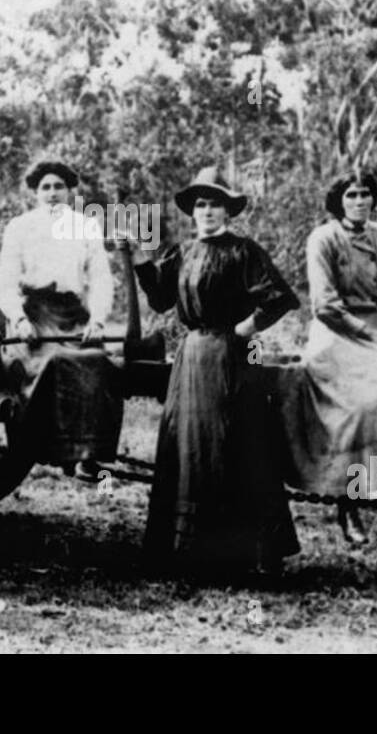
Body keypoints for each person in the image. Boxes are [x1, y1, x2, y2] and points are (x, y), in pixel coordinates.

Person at [128, 166, 300, 577]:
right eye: (201, 204)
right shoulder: (182, 252)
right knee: (189, 447)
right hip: (191, 358)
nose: (207, 211)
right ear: (193, 211)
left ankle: (243, 552)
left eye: (215, 203)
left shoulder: (244, 251)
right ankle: (189, 553)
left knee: (237, 444)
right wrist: (137, 257)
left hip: (235, 360)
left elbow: (278, 299)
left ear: (228, 210)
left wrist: (241, 330)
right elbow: (161, 302)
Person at [279, 171, 377, 544]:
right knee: (351, 408)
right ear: (339, 201)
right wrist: (368, 332)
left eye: (366, 194)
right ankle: (346, 504)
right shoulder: (323, 238)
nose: (360, 201)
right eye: (351, 195)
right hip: (336, 333)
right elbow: (325, 306)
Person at [0, 160, 122, 478]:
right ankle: (43, 446)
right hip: (35, 316)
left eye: (58, 187)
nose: (52, 194)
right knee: (54, 362)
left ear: (69, 191)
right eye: (46, 188)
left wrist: (98, 321)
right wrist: (19, 320)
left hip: (73, 315)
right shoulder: (20, 227)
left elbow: (101, 279)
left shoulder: (86, 226)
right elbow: (6, 283)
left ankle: (87, 454)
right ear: (36, 193)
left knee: (97, 361)